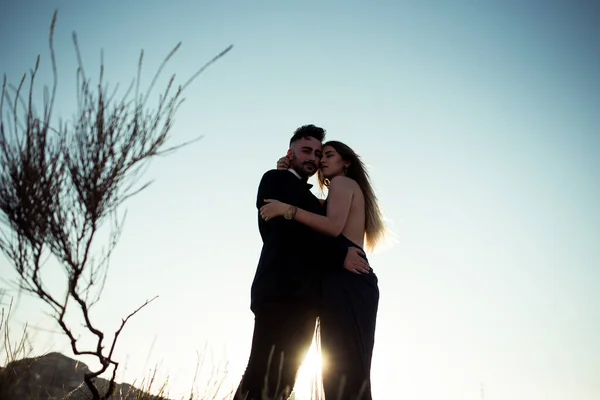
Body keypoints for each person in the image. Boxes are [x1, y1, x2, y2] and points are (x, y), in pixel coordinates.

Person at [234, 125, 371, 400]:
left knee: (285, 381)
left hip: (308, 301)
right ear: (290, 153)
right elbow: (286, 233)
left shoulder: (312, 197)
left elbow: (323, 221)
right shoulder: (274, 179)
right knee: (262, 372)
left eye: (318, 153)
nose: (314, 158)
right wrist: (339, 254)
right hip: (279, 292)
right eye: (306, 150)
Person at [260, 140, 385, 400]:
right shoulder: (342, 190)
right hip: (347, 283)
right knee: (346, 372)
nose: (322, 161)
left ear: (346, 162)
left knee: (345, 372)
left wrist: (287, 209)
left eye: (328, 155)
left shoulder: (341, 183)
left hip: (349, 281)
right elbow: (314, 209)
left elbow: (331, 227)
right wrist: (285, 173)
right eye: (320, 156)